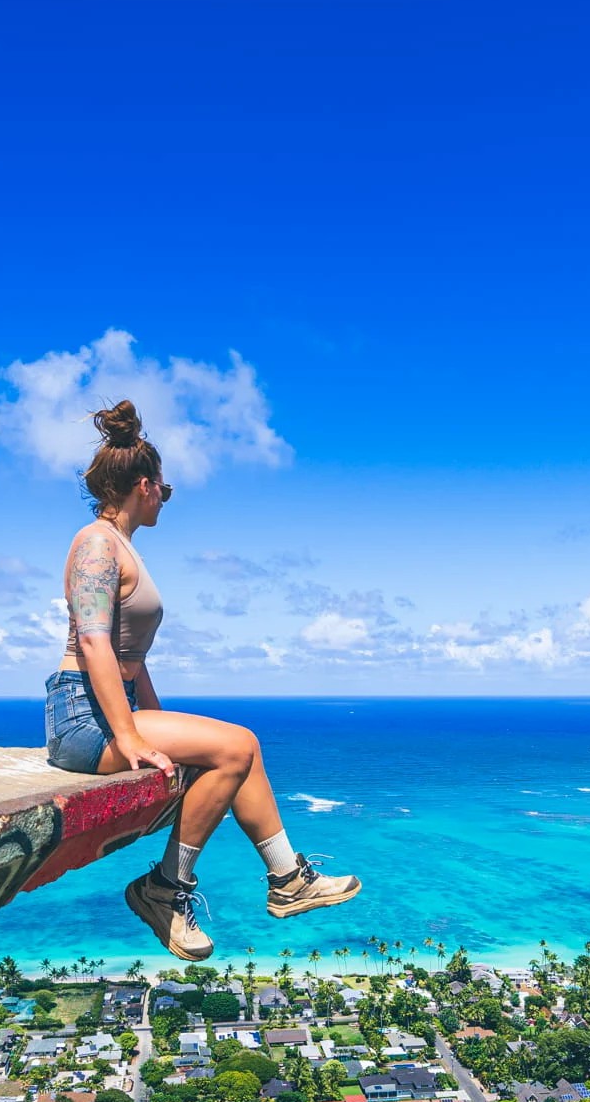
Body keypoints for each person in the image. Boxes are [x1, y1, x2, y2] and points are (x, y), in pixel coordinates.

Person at [44, 400, 360, 960]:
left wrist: (161, 724)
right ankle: (164, 890)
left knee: (242, 749)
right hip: (84, 718)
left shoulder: (121, 548)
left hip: (110, 708)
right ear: (145, 486)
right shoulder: (96, 544)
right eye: (165, 490)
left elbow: (131, 662)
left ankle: (288, 879)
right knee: (236, 745)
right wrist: (132, 738)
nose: (166, 499)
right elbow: (94, 644)